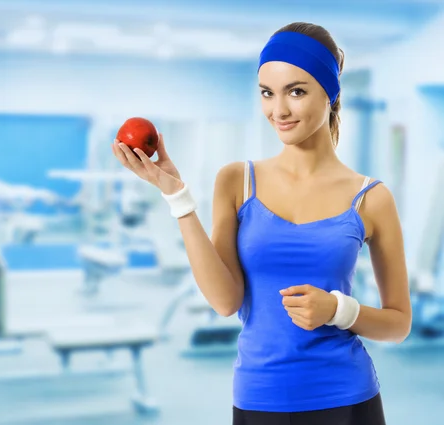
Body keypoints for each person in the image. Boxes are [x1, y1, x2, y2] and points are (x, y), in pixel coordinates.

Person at [111, 21, 412, 425]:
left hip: (347, 397)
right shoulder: (237, 180)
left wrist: (339, 310)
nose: (279, 110)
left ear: (332, 93)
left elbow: (399, 324)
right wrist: (176, 195)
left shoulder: (371, 198)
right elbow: (225, 301)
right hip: (260, 398)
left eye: (297, 91)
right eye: (267, 93)